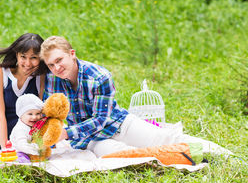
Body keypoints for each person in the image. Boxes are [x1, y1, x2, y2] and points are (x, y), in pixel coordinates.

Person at [40, 36, 231, 156]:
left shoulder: (99, 76)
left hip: (118, 125)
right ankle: (179, 158)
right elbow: (53, 115)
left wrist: (66, 133)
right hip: (90, 139)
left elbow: (101, 119)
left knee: (167, 139)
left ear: (72, 54)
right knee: (128, 156)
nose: (56, 68)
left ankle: (221, 154)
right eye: (51, 64)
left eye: (59, 60)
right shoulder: (52, 80)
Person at [9, 94, 44, 159]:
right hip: (18, 151)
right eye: (30, 114)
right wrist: (36, 150)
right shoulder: (20, 129)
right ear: (21, 115)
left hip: (29, 150)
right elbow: (21, 145)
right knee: (22, 159)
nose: (34, 117)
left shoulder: (32, 125)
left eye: (37, 113)